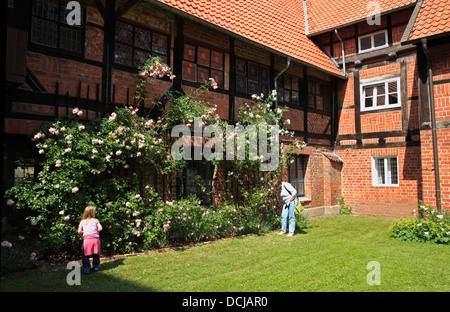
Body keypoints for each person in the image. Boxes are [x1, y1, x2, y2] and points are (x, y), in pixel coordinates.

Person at [78, 205, 102, 274]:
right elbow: (100, 228)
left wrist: (83, 232)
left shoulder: (83, 222)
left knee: (85, 254)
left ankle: (86, 268)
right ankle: (96, 267)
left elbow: (79, 231)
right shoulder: (96, 221)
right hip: (95, 240)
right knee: (96, 253)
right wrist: (96, 230)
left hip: (87, 240)